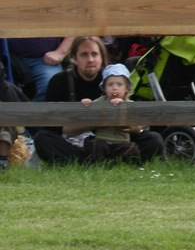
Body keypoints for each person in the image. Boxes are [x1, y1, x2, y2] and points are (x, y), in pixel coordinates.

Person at [34, 36, 165, 163]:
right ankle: (100, 161)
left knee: (153, 139)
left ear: (102, 58)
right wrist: (93, 122)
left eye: (94, 54)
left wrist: (133, 127)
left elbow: (136, 120)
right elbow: (52, 128)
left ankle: (104, 159)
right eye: (84, 55)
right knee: (43, 138)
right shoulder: (59, 81)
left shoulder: (115, 79)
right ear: (74, 58)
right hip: (78, 142)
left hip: (118, 141)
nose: (90, 59)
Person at [1, 0, 73, 99]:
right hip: (10, 60)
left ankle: (35, 126)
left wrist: (60, 53)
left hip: (45, 59)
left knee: (51, 84)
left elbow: (78, 24)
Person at [68, 63, 142, 164]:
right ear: (104, 88)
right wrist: (87, 103)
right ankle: (100, 163)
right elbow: (91, 108)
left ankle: (118, 163)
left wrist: (121, 106)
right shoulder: (101, 101)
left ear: (126, 89)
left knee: (131, 148)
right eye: (110, 85)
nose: (114, 88)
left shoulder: (130, 104)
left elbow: (138, 123)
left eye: (119, 85)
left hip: (121, 142)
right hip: (102, 140)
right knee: (95, 146)